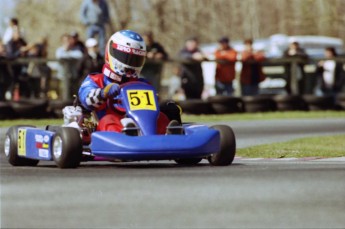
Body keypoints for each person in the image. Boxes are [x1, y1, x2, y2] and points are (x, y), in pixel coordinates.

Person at [78, 30, 178, 133]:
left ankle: (171, 137)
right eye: (125, 58)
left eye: (135, 59)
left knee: (162, 117)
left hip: (142, 125)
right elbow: (86, 99)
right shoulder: (96, 80)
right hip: (108, 129)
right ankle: (128, 134)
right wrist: (104, 93)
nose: (130, 64)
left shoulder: (143, 84)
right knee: (108, 120)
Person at [56, 33, 84, 98]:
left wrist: (67, 54)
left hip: (73, 77)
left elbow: (80, 55)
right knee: (63, 95)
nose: (67, 42)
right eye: (65, 41)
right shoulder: (59, 50)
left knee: (73, 95)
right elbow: (59, 56)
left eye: (68, 40)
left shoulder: (76, 49)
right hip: (62, 77)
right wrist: (66, 51)